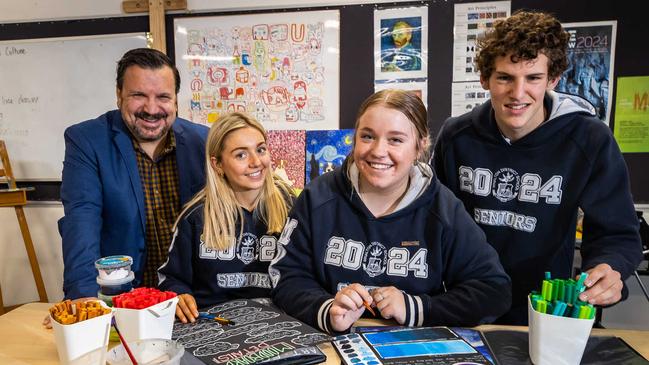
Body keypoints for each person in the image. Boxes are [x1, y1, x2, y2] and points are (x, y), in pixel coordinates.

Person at [433, 11, 642, 325]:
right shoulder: (456, 137)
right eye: (505, 77)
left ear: (552, 79)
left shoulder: (589, 138)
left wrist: (610, 267)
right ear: (485, 79)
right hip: (466, 308)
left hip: (549, 312)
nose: (518, 94)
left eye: (533, 78)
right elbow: (432, 222)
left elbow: (618, 234)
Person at [270, 89, 511, 334]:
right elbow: (287, 275)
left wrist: (415, 308)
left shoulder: (443, 208)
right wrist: (326, 309)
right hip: (331, 345)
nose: (378, 151)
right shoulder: (317, 198)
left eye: (395, 139)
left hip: (416, 348)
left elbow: (493, 290)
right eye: (367, 136)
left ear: (420, 145)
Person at [59, 48, 209, 300]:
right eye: (138, 95)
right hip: (124, 298)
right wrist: (84, 297)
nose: (151, 109)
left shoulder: (203, 140)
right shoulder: (87, 140)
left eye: (163, 96)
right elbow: (81, 221)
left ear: (175, 100)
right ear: (119, 95)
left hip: (191, 298)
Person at [158, 112, 295, 323]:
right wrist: (178, 294)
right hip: (213, 326)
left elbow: (308, 275)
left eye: (261, 149)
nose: (256, 161)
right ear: (218, 164)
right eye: (241, 155)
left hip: (279, 323)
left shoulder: (291, 207)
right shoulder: (195, 217)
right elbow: (171, 278)